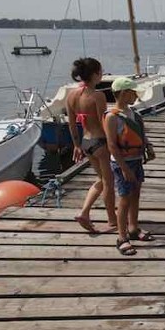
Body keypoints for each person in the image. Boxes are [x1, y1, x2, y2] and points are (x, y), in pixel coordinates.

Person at [104, 77, 156, 256]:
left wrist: (148, 147)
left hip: (136, 159)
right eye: (133, 92)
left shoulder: (133, 113)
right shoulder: (112, 117)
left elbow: (140, 133)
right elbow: (111, 144)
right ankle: (122, 237)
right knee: (125, 198)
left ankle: (133, 228)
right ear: (124, 93)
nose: (136, 95)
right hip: (123, 164)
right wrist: (124, 168)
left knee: (136, 194)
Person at [66, 57, 117, 233]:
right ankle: (112, 220)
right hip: (100, 142)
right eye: (101, 71)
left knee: (101, 180)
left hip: (86, 142)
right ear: (95, 74)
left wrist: (76, 145)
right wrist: (115, 144)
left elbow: (72, 124)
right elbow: (104, 122)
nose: (102, 74)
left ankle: (85, 212)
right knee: (109, 183)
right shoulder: (97, 96)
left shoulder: (72, 95)